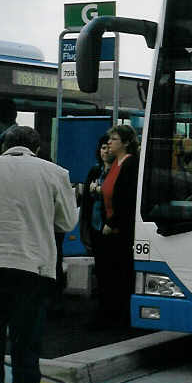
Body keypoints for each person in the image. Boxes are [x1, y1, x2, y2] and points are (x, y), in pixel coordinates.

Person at [0, 126, 77, 383]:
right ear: (36, 149)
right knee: (26, 348)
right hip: (32, 270)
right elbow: (66, 222)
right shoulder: (55, 173)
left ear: (5, 146)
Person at [100, 124, 140, 325]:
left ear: (125, 143)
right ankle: (110, 313)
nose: (108, 142)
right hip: (109, 227)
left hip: (120, 229)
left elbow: (127, 198)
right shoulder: (115, 163)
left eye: (114, 139)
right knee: (109, 273)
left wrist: (112, 222)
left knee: (120, 273)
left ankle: (120, 315)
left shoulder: (130, 165)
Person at [79, 134, 114, 321]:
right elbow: (86, 202)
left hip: (111, 227)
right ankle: (101, 308)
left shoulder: (118, 171)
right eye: (102, 147)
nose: (105, 151)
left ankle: (108, 309)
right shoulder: (95, 171)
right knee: (100, 268)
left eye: (108, 147)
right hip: (95, 224)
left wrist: (100, 191)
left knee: (110, 269)